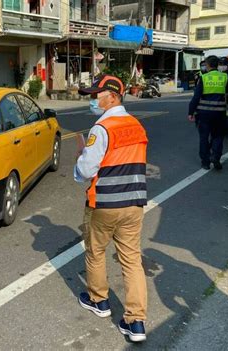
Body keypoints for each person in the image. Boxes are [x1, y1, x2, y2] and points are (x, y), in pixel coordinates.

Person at [75, 74, 149, 343]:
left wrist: (80, 156)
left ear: (113, 96)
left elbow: (86, 169)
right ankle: (136, 321)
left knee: (95, 252)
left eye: (97, 95)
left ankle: (99, 301)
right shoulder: (136, 125)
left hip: (104, 204)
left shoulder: (102, 128)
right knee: (132, 260)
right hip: (134, 204)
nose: (94, 100)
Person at [188, 56, 228, 170]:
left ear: (208, 65)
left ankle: (205, 162)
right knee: (218, 136)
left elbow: (196, 97)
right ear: (218, 65)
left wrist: (190, 112)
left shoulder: (204, 78)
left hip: (204, 114)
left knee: (204, 137)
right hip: (220, 113)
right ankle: (216, 157)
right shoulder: (224, 77)